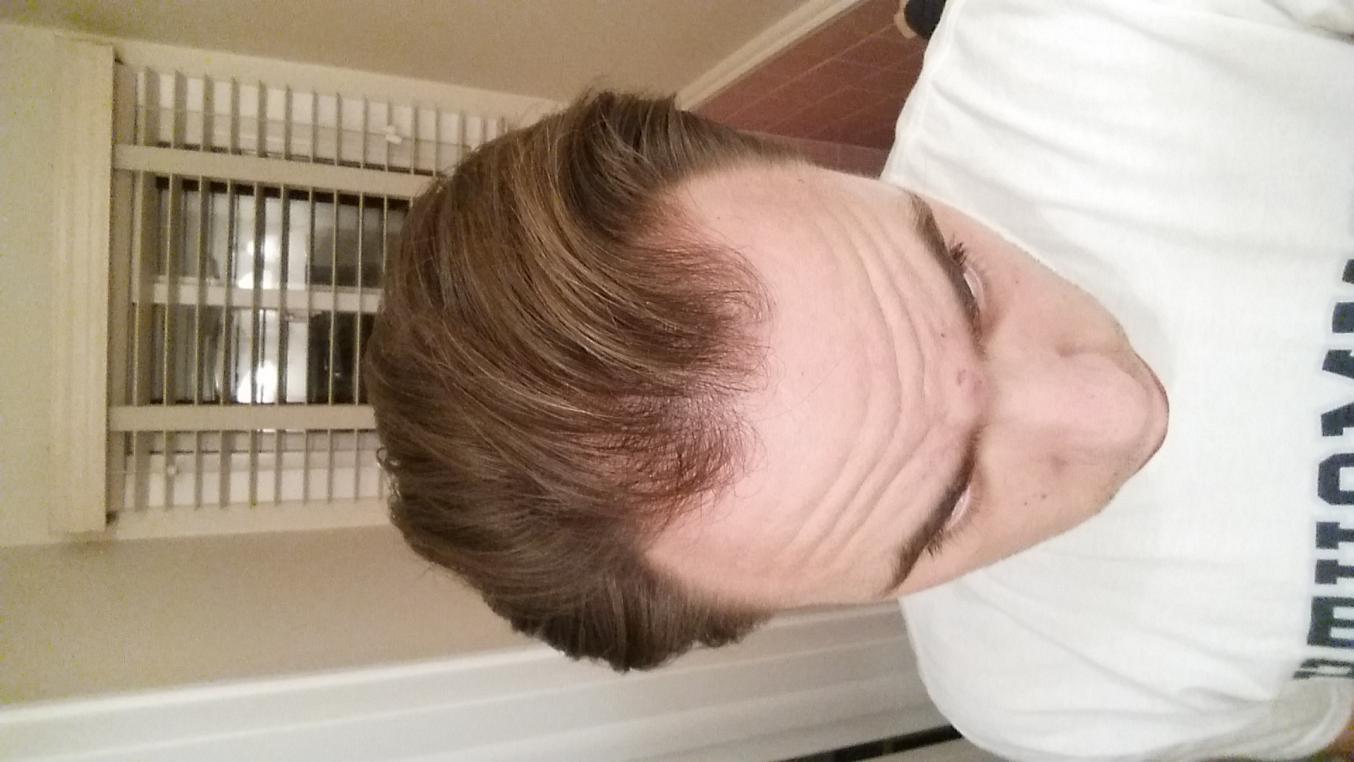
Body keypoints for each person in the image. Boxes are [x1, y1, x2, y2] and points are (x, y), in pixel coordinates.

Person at [364, 0, 1354, 757]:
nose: (1122, 411)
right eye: (949, 505)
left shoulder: (1092, 26)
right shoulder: (1039, 702)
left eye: (963, 281)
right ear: (809, 601)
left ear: (798, 165)